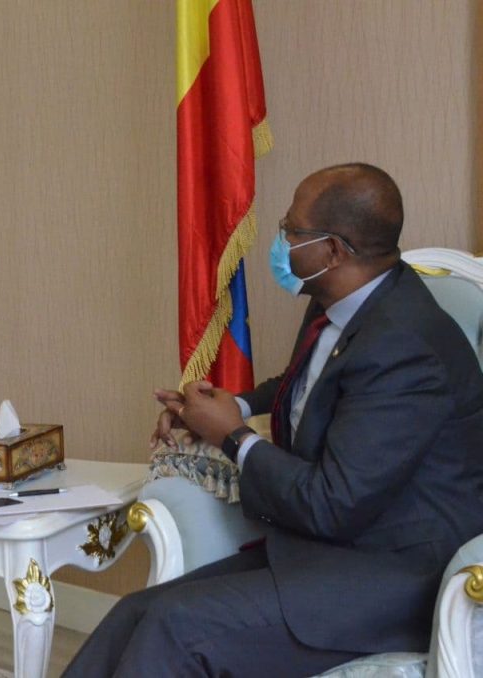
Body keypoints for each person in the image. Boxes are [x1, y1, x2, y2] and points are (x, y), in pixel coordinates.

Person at [64, 163, 483, 677]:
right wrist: (231, 406)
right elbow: (309, 381)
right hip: (328, 552)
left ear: (333, 251)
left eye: (292, 230)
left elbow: (332, 503)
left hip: (392, 577)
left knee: (174, 628)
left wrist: (231, 436)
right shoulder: (339, 300)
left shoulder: (406, 348)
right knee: (134, 612)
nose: (281, 242)